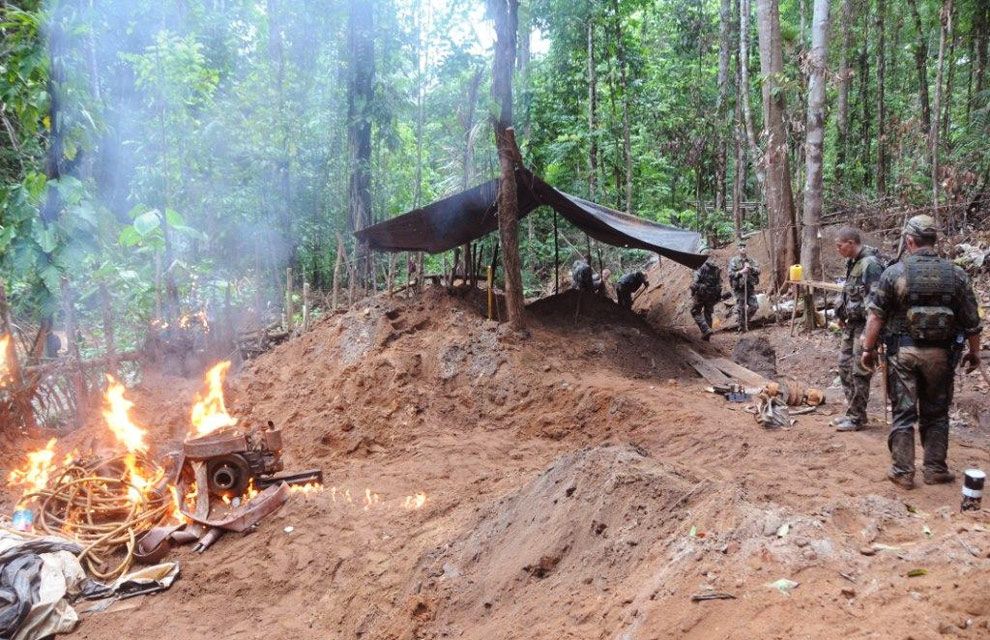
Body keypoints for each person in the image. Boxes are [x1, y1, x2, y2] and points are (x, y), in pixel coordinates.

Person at [861, 215, 982, 489]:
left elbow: (876, 317)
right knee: (936, 412)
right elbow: (973, 323)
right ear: (934, 241)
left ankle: (903, 471)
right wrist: (973, 353)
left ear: (910, 241)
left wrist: (867, 349)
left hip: (903, 354)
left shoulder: (894, 273)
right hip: (941, 356)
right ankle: (935, 468)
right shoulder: (957, 274)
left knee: (904, 413)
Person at [832, 227, 885, 432]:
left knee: (859, 371)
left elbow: (875, 303)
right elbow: (848, 291)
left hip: (865, 326)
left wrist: (869, 336)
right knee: (844, 367)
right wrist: (840, 312)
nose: (838, 250)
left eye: (840, 245)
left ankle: (857, 417)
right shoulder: (853, 263)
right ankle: (852, 411)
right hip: (852, 324)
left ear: (851, 243)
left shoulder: (870, 264)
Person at [689, 250, 722, 341]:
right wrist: (717, 296)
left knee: (695, 311)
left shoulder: (701, 267)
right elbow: (719, 284)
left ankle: (705, 329)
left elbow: (695, 284)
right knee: (708, 313)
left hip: (701, 294)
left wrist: (692, 292)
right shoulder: (716, 269)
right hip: (712, 295)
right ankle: (707, 336)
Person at [727, 242, 760, 332]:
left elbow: (758, 270)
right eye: (741, 247)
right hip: (739, 288)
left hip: (749, 287)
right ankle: (742, 328)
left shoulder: (751, 260)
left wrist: (750, 268)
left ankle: (745, 321)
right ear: (738, 249)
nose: (743, 248)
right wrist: (742, 271)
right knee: (741, 308)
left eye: (744, 247)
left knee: (754, 306)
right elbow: (730, 274)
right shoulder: (734, 261)